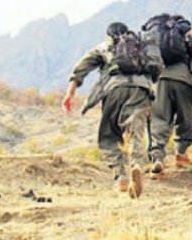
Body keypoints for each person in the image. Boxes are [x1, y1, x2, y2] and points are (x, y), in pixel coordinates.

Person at [62, 22, 161, 198]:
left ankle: (120, 176)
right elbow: (157, 69)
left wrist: (70, 92)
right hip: (141, 89)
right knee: (136, 130)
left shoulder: (105, 46)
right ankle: (137, 164)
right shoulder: (141, 46)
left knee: (108, 136)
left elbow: (82, 68)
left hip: (114, 90)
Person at [146, 14, 192, 175]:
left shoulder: (155, 35)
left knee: (159, 118)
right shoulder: (185, 32)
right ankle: (181, 154)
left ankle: (158, 158)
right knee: (186, 117)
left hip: (159, 80)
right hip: (184, 79)